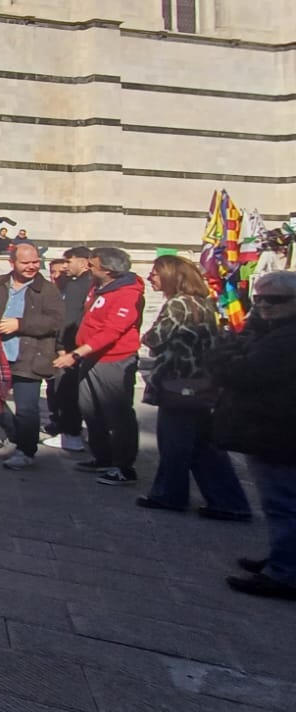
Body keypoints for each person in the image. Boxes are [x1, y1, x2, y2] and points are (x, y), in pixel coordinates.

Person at [135, 255, 250, 519]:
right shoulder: (204, 303)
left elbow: (156, 338)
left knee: (174, 443)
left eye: (155, 272)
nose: (151, 277)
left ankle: (169, 495)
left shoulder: (178, 304)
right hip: (203, 384)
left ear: (170, 276)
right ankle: (229, 501)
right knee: (204, 447)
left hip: (179, 384)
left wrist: (148, 337)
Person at [209, 270, 296, 599]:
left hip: (278, 432)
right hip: (270, 428)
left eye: (276, 300)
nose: (265, 305)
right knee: (280, 502)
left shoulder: (286, 340)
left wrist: (226, 354)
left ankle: (285, 573)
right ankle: (282, 558)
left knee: (283, 504)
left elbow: (239, 371)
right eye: (259, 299)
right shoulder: (272, 331)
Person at [53, 246, 144, 485]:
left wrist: (76, 353)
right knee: (90, 409)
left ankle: (124, 466)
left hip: (114, 360)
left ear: (108, 270)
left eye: (92, 265)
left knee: (118, 414)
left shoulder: (127, 294)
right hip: (91, 358)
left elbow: (112, 331)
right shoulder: (98, 287)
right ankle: (102, 457)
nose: (88, 268)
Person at [0, 243, 63, 471]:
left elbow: (56, 321)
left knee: (26, 409)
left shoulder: (48, 289)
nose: (32, 266)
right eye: (25, 262)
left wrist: (20, 324)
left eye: (35, 262)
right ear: (12, 263)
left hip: (30, 356)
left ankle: (26, 451)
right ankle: (16, 437)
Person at [43, 247, 93, 452]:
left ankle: (70, 434)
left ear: (83, 262)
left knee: (66, 391)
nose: (65, 266)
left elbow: (68, 317)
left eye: (69, 261)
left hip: (72, 346)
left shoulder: (77, 286)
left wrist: (61, 346)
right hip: (82, 345)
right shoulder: (89, 283)